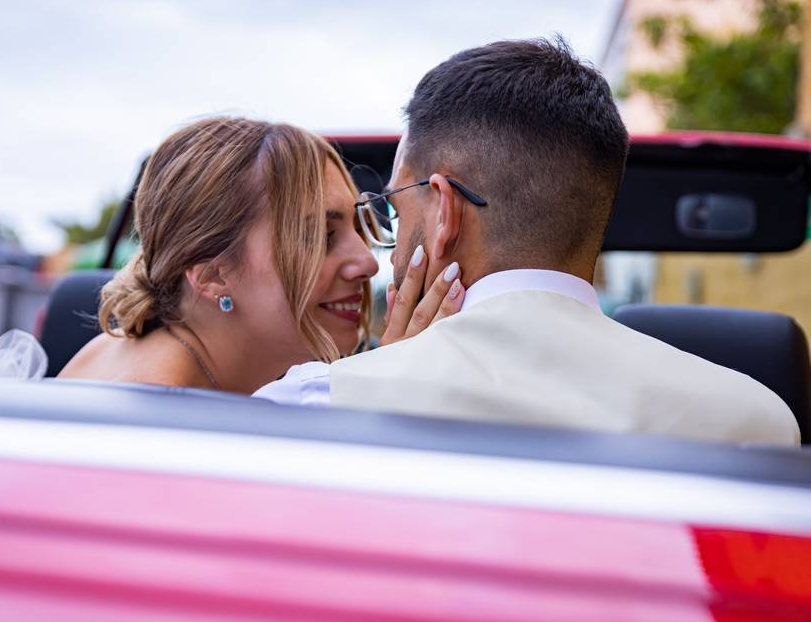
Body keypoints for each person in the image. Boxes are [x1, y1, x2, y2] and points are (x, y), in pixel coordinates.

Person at [255, 38, 801, 446]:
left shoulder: (314, 409)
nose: (389, 257)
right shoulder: (761, 421)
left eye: (397, 208)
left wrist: (384, 378)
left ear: (444, 209)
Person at [59, 116, 464, 393]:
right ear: (212, 274)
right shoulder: (172, 419)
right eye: (320, 236)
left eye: (359, 228)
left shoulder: (143, 356)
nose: (367, 262)